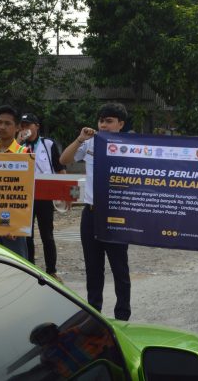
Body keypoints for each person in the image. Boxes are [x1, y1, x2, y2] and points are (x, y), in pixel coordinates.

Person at [60, 103, 131, 321]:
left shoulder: (131, 145)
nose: (103, 124)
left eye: (109, 121)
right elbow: (64, 160)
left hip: (117, 214)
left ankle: (122, 316)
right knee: (93, 267)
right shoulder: (89, 142)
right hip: (91, 214)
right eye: (101, 120)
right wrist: (80, 138)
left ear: (120, 124)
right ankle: (93, 313)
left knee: (119, 267)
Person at [19, 113, 67, 282]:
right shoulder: (17, 145)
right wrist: (17, 143)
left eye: (29, 125)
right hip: (24, 196)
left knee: (47, 234)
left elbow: (59, 167)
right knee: (27, 234)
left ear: (37, 126)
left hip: (45, 196)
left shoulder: (48, 144)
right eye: (23, 125)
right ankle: (30, 268)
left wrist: (64, 192)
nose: (25, 129)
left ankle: (51, 270)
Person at [0, 105, 31, 258]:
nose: (2, 127)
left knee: (16, 262)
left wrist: (16, 224)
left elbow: (25, 193)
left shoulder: (25, 153)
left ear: (17, 128)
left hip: (14, 220)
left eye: (7, 124)